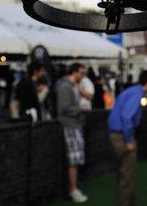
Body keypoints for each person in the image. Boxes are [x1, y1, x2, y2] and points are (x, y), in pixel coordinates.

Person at [108, 70, 147, 206]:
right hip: (123, 136)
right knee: (127, 175)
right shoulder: (137, 93)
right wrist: (129, 140)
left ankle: (131, 202)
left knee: (123, 173)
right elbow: (127, 116)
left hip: (116, 134)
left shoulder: (132, 91)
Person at [57, 62, 88, 203]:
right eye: (81, 73)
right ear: (73, 72)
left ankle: (73, 188)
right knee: (74, 160)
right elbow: (63, 108)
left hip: (74, 125)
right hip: (70, 126)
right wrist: (81, 109)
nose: (83, 76)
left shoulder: (71, 86)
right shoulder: (65, 87)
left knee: (75, 160)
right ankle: (73, 189)